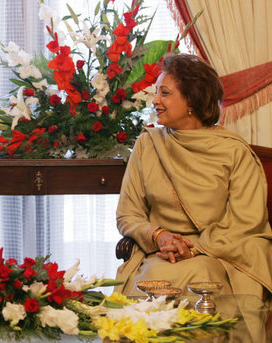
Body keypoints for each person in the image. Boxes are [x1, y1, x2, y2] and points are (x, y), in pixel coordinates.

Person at [115, 54, 272, 302]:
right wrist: (159, 236)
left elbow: (245, 222)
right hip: (159, 252)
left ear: (192, 100)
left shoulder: (234, 152)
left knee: (201, 276)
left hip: (217, 255)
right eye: (156, 92)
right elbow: (128, 214)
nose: (155, 101)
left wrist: (195, 249)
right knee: (153, 277)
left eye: (164, 93)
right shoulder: (148, 144)